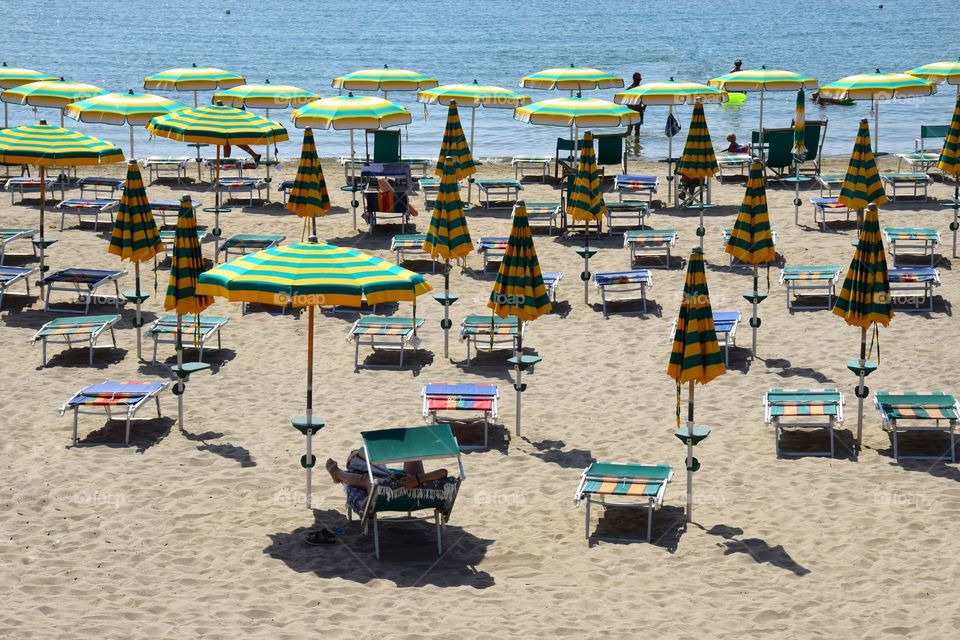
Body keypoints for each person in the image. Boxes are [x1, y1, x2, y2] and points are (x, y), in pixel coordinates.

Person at [326, 449, 448, 494]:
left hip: (378, 477)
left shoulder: (382, 486)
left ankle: (338, 473)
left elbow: (366, 503)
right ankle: (342, 468)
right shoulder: (425, 485)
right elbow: (444, 472)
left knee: (365, 474)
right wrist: (417, 479)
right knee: (412, 451)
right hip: (413, 480)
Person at [624, 72, 646, 140]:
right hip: (631, 111)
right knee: (629, 129)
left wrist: (644, 106)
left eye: (640, 79)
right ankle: (628, 143)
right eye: (638, 79)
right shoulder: (629, 89)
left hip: (639, 111)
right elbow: (626, 102)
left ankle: (637, 144)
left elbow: (645, 98)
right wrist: (634, 107)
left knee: (637, 130)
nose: (639, 81)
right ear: (633, 79)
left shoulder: (641, 88)